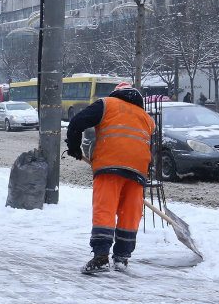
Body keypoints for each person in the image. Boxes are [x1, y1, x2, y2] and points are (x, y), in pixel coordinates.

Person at [65, 82, 154, 274]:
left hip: (109, 167)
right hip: (139, 169)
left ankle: (101, 257)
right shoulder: (147, 118)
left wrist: (73, 147)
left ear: (116, 93)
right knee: (129, 214)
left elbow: (76, 123)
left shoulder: (107, 104)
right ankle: (122, 258)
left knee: (105, 210)